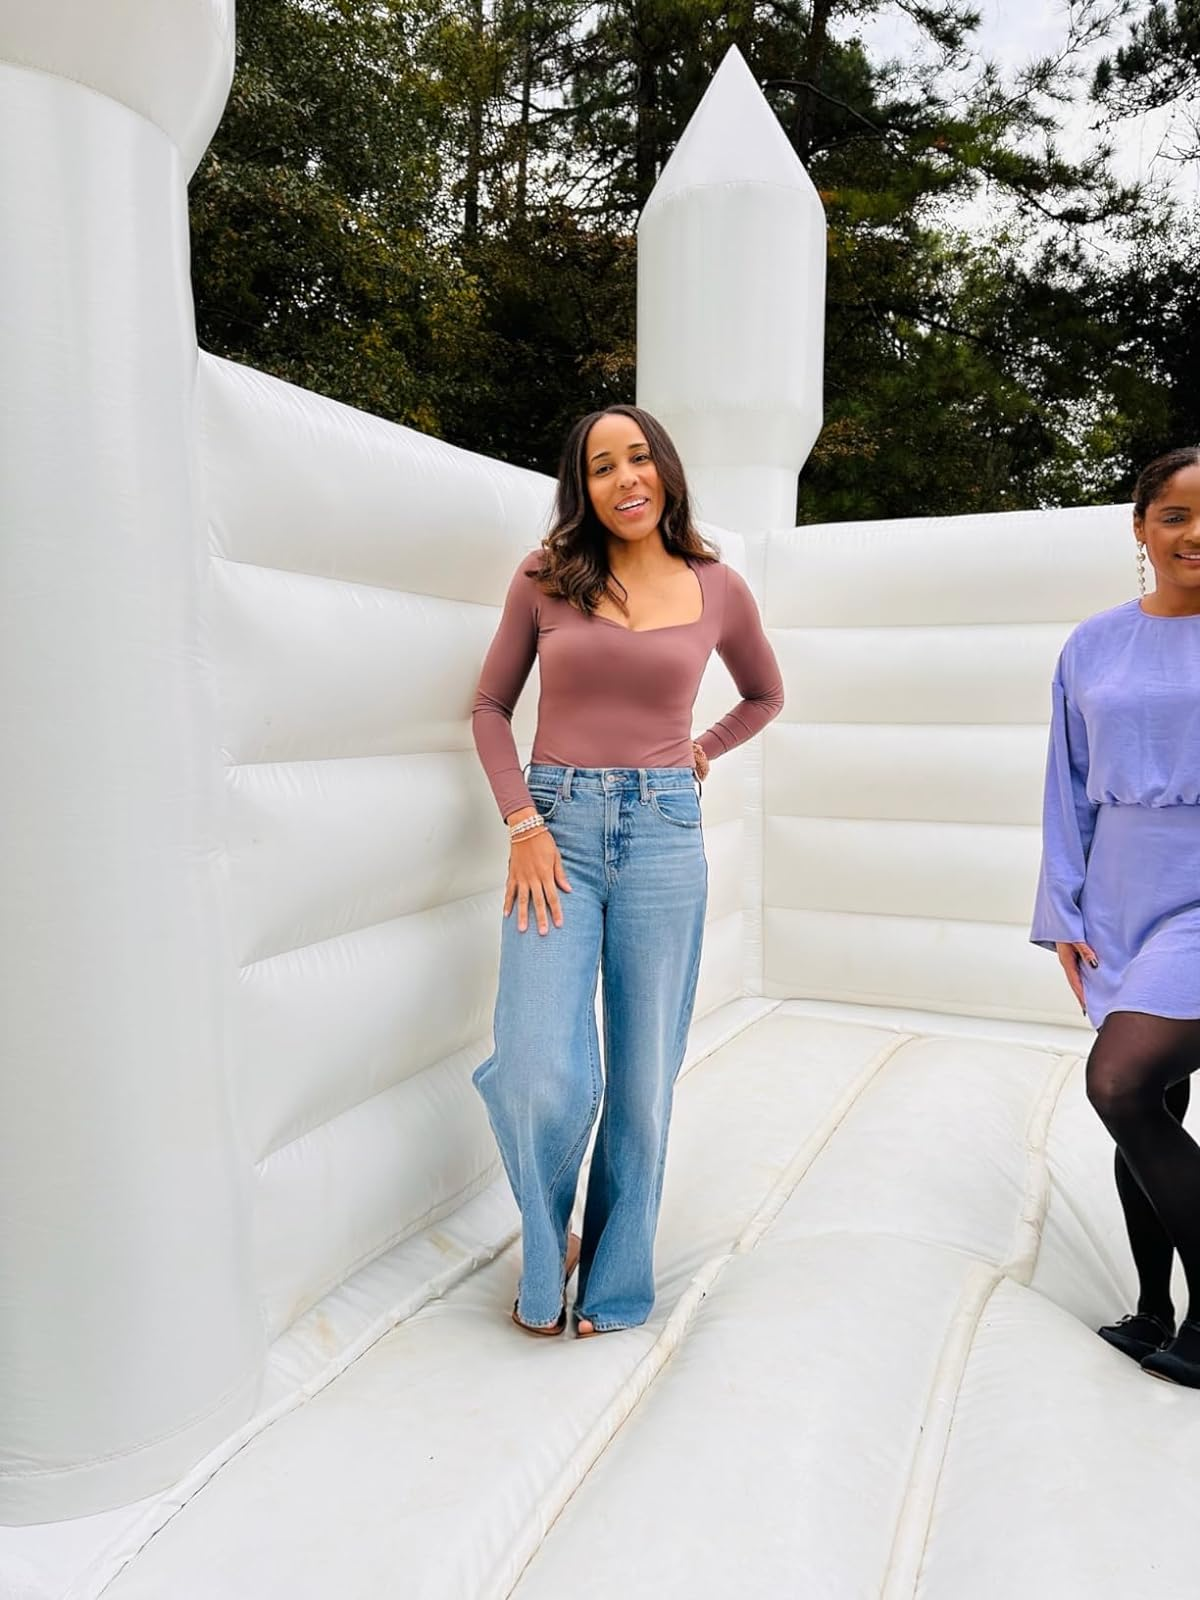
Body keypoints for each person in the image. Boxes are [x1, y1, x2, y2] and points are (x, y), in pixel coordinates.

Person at [470, 404, 783, 1338]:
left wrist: (703, 749)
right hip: (554, 830)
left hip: (662, 832)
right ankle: (544, 1256)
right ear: (584, 486)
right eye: (603, 466)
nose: (626, 479)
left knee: (644, 1077)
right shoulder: (545, 577)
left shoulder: (717, 584)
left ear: (667, 469)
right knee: (535, 1068)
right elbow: (490, 707)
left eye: (639, 458)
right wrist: (522, 820)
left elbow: (767, 693)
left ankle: (613, 1279)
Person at [1032, 444, 1200, 1386]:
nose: (1195, 533)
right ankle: (1152, 1309)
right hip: (1120, 894)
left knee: (1120, 1085)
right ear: (1140, 528)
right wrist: (1064, 908)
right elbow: (1068, 786)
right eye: (1174, 514)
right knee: (1150, 1109)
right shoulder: (1091, 644)